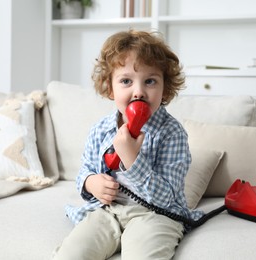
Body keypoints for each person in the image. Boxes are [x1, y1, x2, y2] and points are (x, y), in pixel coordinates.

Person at [53, 29, 204, 260]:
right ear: (110, 88)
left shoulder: (172, 133)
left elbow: (166, 199)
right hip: (108, 212)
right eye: (126, 81)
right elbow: (85, 170)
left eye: (150, 81)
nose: (139, 92)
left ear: (165, 88)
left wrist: (132, 159)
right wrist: (91, 182)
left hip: (156, 214)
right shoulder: (100, 129)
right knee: (71, 254)